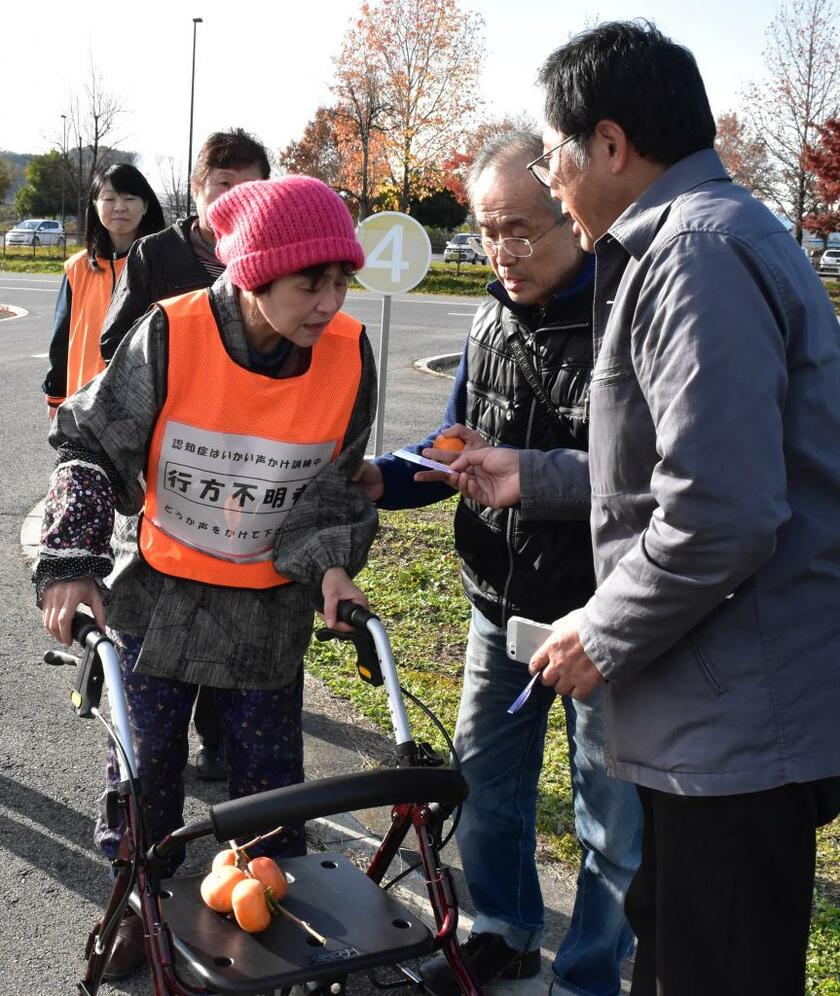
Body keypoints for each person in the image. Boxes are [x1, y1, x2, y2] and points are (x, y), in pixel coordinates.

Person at [448, 22, 840, 996]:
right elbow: (675, 473)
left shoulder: (696, 256)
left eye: (555, 154)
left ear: (612, 144)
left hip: (733, 724)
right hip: (716, 714)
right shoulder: (705, 238)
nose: (552, 176)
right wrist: (532, 478)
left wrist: (603, 631)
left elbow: (722, 514)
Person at [35, 175, 377, 979]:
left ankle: (263, 914)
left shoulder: (347, 352)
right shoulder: (173, 333)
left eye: (341, 282)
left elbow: (333, 488)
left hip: (268, 611)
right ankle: (133, 902)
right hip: (161, 599)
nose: (329, 302)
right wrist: (71, 562)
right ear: (254, 274)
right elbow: (89, 446)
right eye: (310, 282)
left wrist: (330, 568)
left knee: (266, 792)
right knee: (144, 772)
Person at [357, 131, 640, 996]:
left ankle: (590, 977)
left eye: (522, 228)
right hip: (497, 603)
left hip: (606, 618)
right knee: (486, 786)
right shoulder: (487, 316)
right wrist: (381, 476)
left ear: (574, 213)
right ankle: (507, 930)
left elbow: (660, 482)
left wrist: (534, 481)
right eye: (487, 230)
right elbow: (457, 448)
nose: (503, 251)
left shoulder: (631, 314)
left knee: (612, 826)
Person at [100, 128, 272, 781]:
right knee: (175, 604)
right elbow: (114, 346)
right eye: (223, 187)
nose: (236, 199)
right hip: (175, 460)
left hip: (254, 462)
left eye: (250, 187)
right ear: (200, 190)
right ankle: (158, 756)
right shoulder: (155, 255)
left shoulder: (269, 257)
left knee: (236, 605)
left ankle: (221, 736)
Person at [42, 163, 165, 415]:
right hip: (83, 403)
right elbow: (62, 339)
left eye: (130, 198)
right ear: (95, 205)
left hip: (144, 407)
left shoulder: (164, 264)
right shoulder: (78, 268)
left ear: (146, 206)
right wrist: (56, 395)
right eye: (109, 198)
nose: (119, 207)